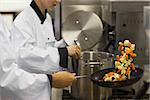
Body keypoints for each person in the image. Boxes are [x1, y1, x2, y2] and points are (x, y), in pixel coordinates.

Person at [0, 15, 76, 100]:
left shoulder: (47, 18)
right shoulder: (23, 20)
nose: (58, 1)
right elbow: (22, 57)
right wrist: (50, 81)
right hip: (26, 88)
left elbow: (46, 46)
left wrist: (65, 45)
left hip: (30, 85)